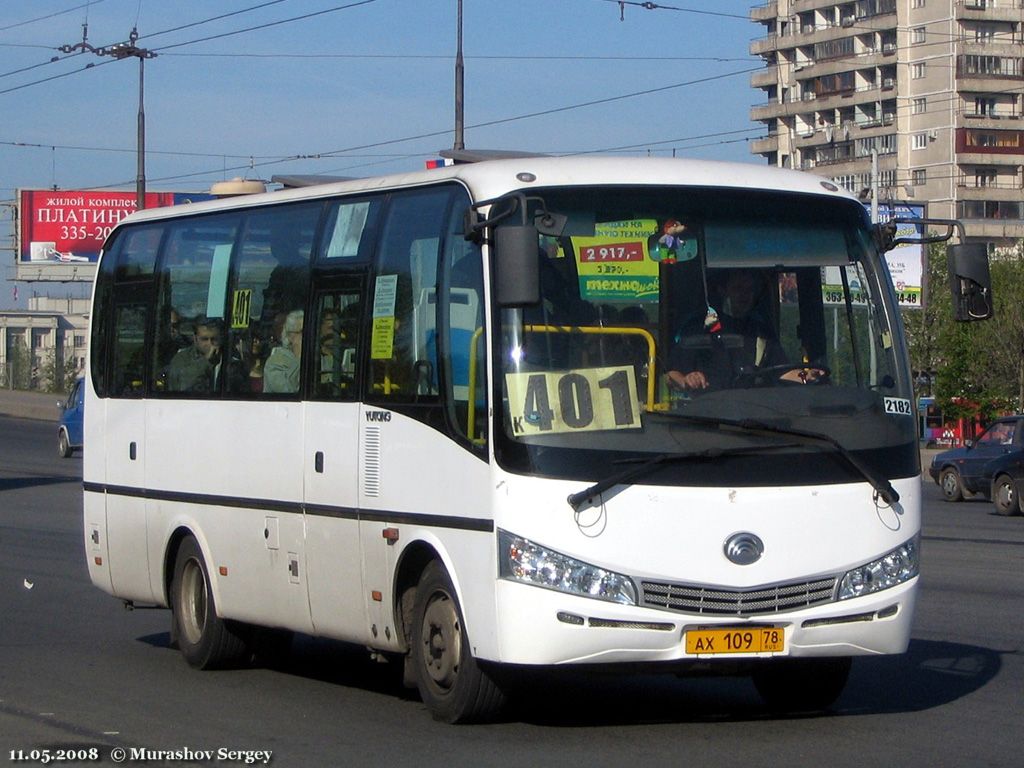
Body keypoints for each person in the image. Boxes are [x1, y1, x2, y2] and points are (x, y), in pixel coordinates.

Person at [667, 270, 821, 391]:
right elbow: (670, 375)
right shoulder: (699, 329)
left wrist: (806, 376)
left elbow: (781, 372)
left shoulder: (760, 331)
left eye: (749, 290)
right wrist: (687, 380)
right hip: (707, 414)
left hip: (755, 411)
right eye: (738, 289)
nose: (744, 295)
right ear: (723, 291)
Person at [167, 316, 223, 393]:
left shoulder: (229, 358)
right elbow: (184, 387)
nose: (210, 344)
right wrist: (206, 362)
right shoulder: (181, 359)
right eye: (204, 339)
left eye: (214, 339)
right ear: (195, 338)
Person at [264, 309, 303, 393]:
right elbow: (288, 391)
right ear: (290, 335)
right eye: (302, 332)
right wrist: (301, 358)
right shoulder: (275, 363)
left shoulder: (317, 357)